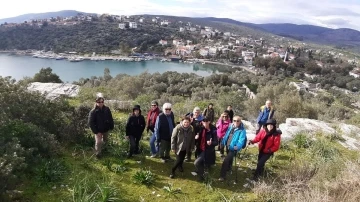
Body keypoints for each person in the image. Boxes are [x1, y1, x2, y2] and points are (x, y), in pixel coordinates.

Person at [218, 116, 247, 181]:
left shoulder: (242, 130)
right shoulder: (231, 126)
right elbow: (226, 135)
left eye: (238, 121)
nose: (236, 122)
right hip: (228, 146)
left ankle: (222, 176)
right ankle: (229, 168)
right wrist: (223, 142)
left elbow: (241, 140)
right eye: (234, 120)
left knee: (225, 161)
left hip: (234, 148)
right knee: (229, 158)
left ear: (240, 121)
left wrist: (238, 146)